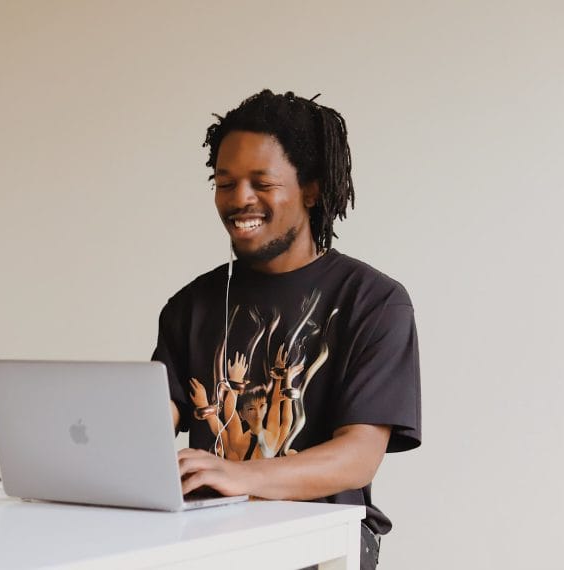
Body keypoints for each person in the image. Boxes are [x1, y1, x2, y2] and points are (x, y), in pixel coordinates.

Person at [152, 89, 421, 570]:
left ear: (311, 189)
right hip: (210, 542)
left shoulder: (373, 301)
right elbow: (154, 420)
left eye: (262, 183)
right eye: (225, 182)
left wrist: (241, 476)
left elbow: (358, 456)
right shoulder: (189, 306)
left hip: (320, 545)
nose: (239, 199)